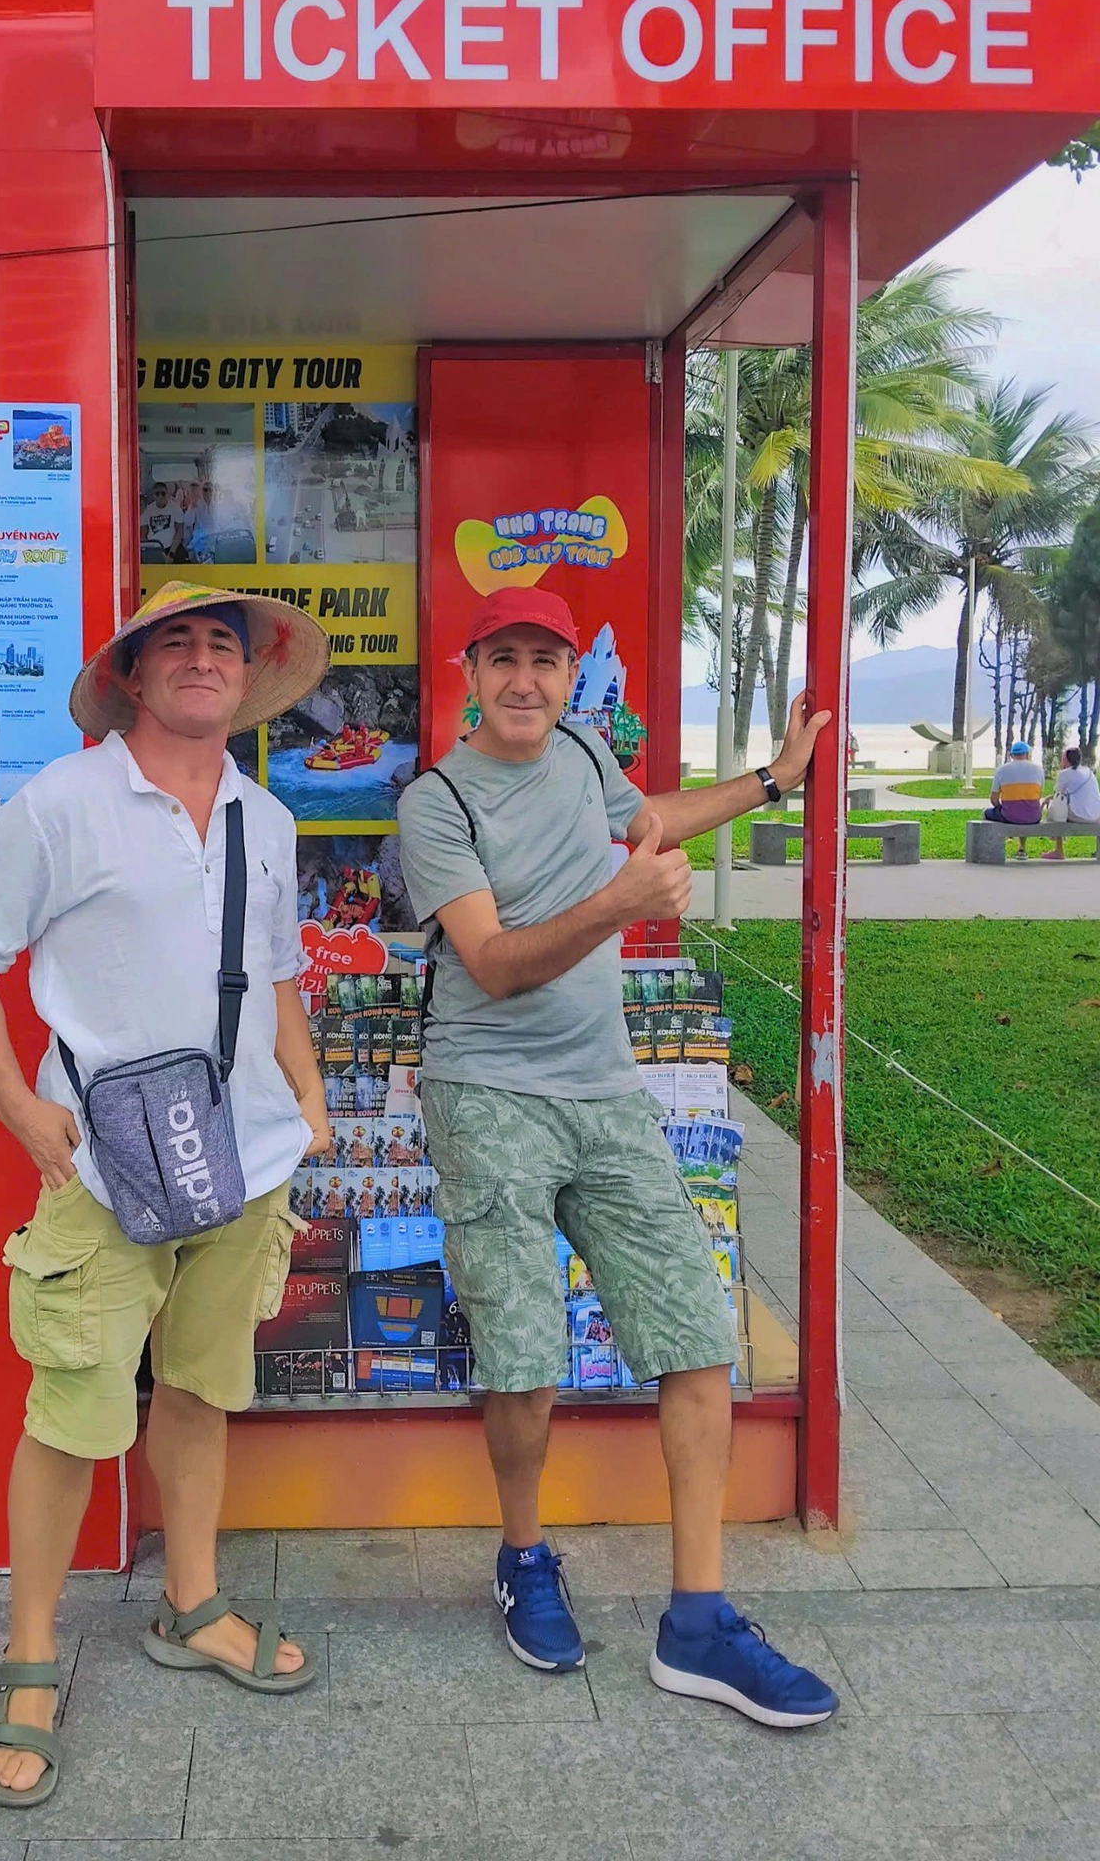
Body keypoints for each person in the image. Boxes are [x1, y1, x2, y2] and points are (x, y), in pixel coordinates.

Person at [397, 584, 839, 1728]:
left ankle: (699, 1619)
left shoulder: (586, 750)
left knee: (697, 1330)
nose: (525, 680)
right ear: (470, 673)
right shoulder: (436, 800)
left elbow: (651, 819)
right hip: (486, 1093)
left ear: (566, 676)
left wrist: (773, 779)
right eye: (504, 658)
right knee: (524, 1356)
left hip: (604, 1089)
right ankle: (523, 1552)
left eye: (544, 659)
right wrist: (621, 897)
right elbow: (494, 961)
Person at [0, 578, 332, 1808]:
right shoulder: (63, 803)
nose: (204, 658)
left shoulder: (268, 817)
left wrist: (309, 1097)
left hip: (244, 1156)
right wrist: (17, 1101)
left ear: (247, 676)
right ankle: (29, 1661)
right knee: (71, 1411)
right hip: (102, 1165)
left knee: (202, 1388)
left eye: (224, 643)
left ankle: (191, 1602)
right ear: (135, 675)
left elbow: (277, 974)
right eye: (179, 642)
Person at [985, 741, 1044, 858]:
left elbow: (993, 799)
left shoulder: (1001, 770)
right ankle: (1022, 848)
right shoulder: (1039, 769)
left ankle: (991, 851)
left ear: (1011, 755)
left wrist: (1001, 808)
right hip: (1034, 816)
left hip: (1009, 816)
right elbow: (1037, 795)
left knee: (986, 813)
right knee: (1024, 809)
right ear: (1028, 754)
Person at [1043, 747, 1100, 860]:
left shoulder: (1064, 773)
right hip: (1097, 815)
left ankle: (1059, 850)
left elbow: (1058, 794)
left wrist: (1047, 799)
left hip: (1079, 816)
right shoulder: (1088, 771)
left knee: (1056, 808)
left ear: (1066, 760)